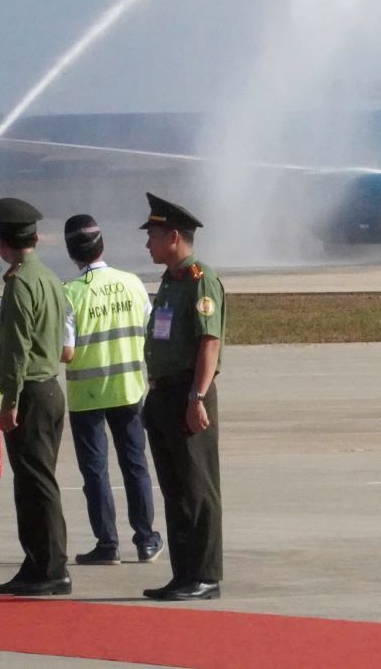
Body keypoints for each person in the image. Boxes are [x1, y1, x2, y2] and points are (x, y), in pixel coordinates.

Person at [62, 212, 164, 566]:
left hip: (87, 395)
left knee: (95, 472)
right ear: (103, 244)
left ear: (71, 252)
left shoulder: (70, 294)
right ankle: (146, 539)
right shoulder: (133, 283)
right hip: (129, 390)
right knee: (135, 465)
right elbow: (151, 332)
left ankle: (107, 543)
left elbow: (66, 350)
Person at [139, 192, 225, 601]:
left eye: (153, 235)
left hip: (189, 393)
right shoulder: (169, 281)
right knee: (175, 490)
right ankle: (184, 573)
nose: (148, 244)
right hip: (163, 394)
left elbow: (209, 342)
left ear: (173, 236)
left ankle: (205, 576)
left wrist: (198, 397)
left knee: (198, 488)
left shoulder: (199, 279)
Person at [0, 196, 75, 597]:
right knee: (39, 483)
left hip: (31, 395)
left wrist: (10, 400)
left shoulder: (21, 283)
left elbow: (18, 347)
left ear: (3, 244)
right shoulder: (50, 278)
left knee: (36, 486)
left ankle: (50, 569)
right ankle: (39, 562)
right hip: (50, 389)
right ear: (35, 238)